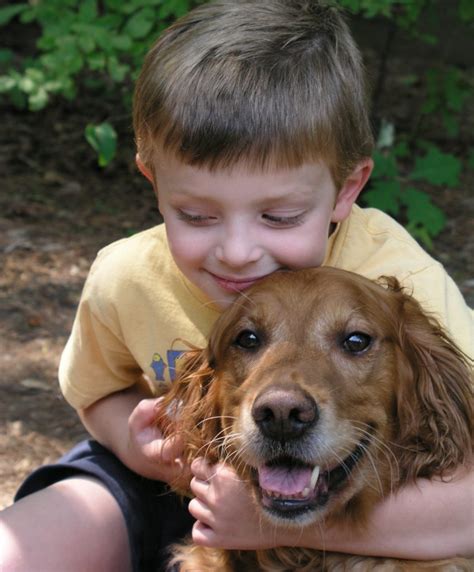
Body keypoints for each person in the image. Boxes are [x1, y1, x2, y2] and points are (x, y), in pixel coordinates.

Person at [1, 1, 472, 570]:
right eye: (198, 215)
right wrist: (136, 446)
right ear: (153, 181)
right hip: (173, 481)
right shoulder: (127, 275)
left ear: (347, 188)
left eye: (277, 217)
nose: (238, 251)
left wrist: (270, 527)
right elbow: (96, 392)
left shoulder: (401, 278)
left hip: (371, 500)